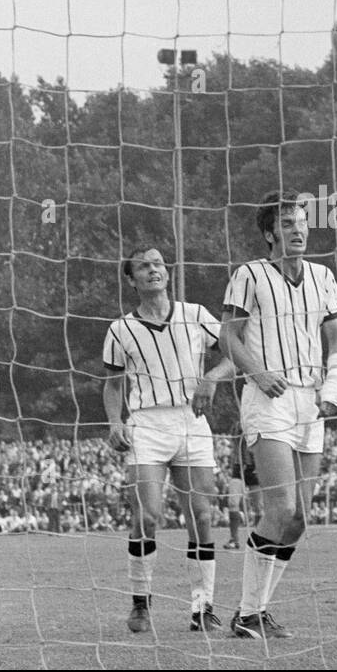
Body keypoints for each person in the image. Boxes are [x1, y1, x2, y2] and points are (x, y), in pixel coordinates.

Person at [217, 191, 337, 641]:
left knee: (300, 520)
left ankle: (258, 610)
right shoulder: (248, 276)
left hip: (310, 401)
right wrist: (257, 370)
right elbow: (227, 336)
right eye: (288, 223)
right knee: (282, 507)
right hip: (268, 398)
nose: (299, 230)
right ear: (271, 232)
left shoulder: (323, 276)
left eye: (302, 222)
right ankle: (247, 613)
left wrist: (332, 387)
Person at [103, 244, 235, 634]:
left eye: (158, 263)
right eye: (143, 267)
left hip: (192, 422)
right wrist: (115, 421)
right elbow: (112, 386)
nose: (152, 270)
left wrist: (211, 378)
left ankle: (202, 608)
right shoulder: (120, 329)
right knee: (147, 514)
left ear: (167, 271)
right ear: (131, 279)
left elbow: (236, 353)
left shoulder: (195, 315)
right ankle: (140, 604)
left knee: (202, 516)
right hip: (146, 423)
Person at [224, 434, 261, 550]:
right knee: (232, 502)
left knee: (258, 507)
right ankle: (234, 540)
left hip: (256, 467)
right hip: (238, 467)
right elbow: (234, 443)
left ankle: (259, 540)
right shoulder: (237, 425)